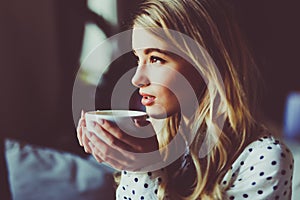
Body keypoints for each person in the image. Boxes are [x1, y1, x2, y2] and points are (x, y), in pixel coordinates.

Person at [77, 0, 294, 199]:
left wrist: (146, 166)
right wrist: (141, 164)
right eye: (137, 59)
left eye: (156, 59)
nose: (136, 79)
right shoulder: (155, 141)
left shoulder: (264, 160)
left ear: (207, 64)